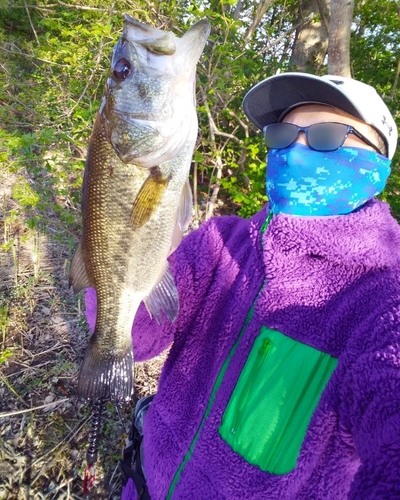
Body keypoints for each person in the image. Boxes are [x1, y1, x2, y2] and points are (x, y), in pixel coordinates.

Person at [85, 72, 400, 499]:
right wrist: (125, 239)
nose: (296, 149)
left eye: (327, 137)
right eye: (283, 136)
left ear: (378, 164)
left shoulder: (383, 302)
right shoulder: (220, 242)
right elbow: (137, 338)